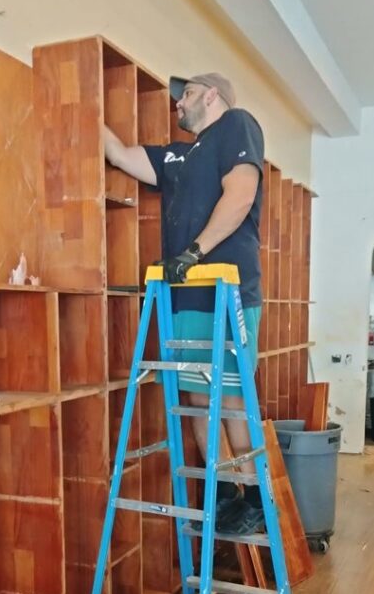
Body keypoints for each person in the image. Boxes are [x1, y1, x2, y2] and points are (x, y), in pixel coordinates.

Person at [104, 72, 265, 534]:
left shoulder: (236, 124)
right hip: (185, 294)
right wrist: (84, 110)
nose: (179, 103)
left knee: (230, 396)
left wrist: (194, 252)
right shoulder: (178, 155)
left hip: (226, 289)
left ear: (212, 95)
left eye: (187, 94)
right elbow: (119, 154)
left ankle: (254, 497)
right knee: (197, 399)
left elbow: (241, 195)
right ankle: (224, 494)